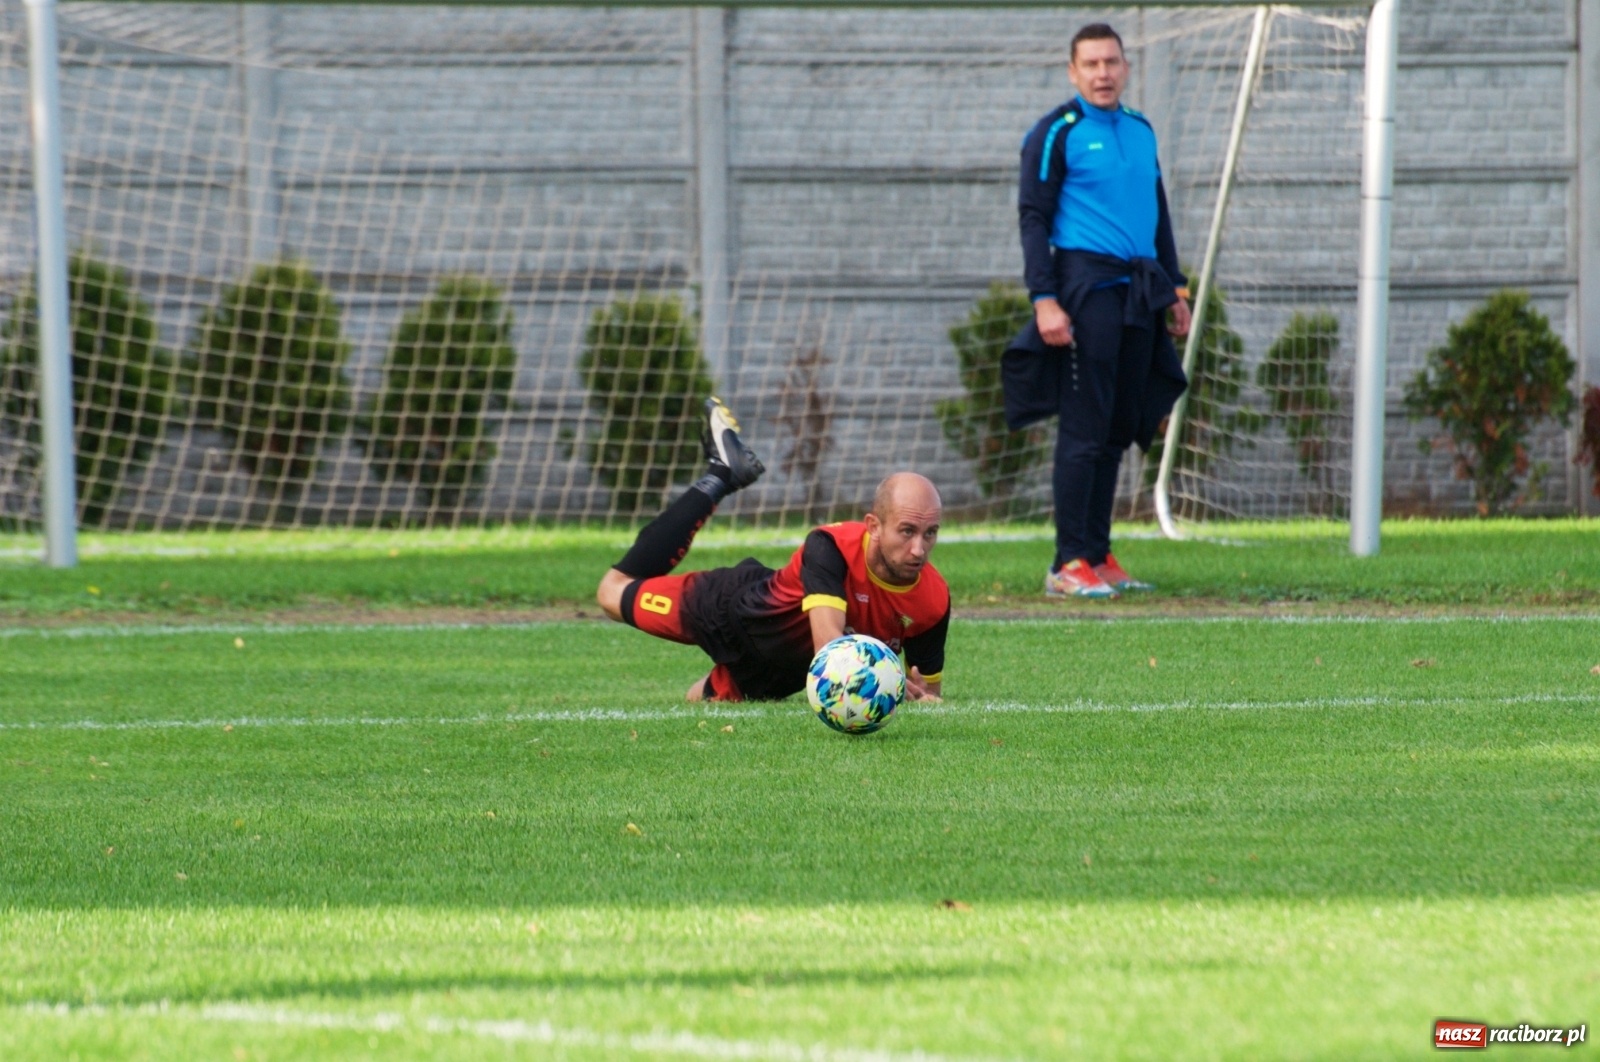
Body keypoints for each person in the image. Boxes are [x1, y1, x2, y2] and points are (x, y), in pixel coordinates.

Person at [1004, 22, 1192, 599]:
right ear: (1073, 71)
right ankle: (1066, 563)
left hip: (1140, 289)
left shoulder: (1140, 130)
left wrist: (1176, 289)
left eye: (1111, 62)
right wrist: (1045, 299)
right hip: (1084, 288)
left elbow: (1156, 211)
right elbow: (1033, 218)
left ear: (1125, 68)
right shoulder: (1056, 133)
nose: (1103, 73)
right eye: (1091, 64)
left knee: (1118, 428)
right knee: (1084, 430)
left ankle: (1098, 552)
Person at [596, 397, 949, 703]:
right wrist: (890, 685)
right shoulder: (831, 547)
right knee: (611, 593)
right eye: (907, 531)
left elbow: (929, 692)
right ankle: (720, 475)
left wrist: (922, 699)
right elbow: (830, 652)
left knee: (697, 701)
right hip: (734, 613)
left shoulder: (932, 600)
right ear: (873, 525)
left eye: (930, 533)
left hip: (779, 675)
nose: (919, 549)